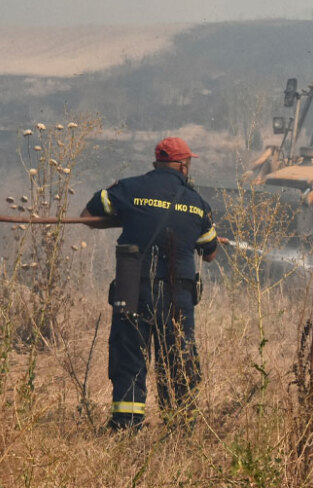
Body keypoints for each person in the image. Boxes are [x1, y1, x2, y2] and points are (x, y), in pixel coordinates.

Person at [80, 137, 218, 432]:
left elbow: (88, 217)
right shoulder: (197, 204)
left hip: (133, 287)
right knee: (178, 360)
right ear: (184, 165)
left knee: (130, 354)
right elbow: (210, 253)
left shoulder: (129, 188)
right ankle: (180, 428)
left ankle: (126, 427)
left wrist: (123, 217)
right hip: (178, 294)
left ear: (156, 162)